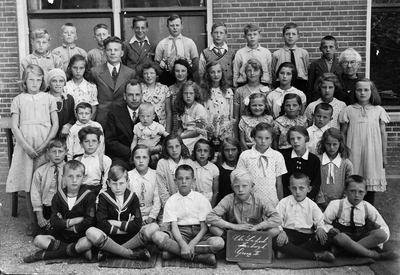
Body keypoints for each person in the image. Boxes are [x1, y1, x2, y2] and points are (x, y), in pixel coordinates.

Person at [6, 65, 59, 235]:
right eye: (31, 80)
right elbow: (15, 127)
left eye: (38, 80)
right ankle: (33, 221)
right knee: (29, 184)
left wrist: (45, 145)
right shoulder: (18, 99)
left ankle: (51, 220)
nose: (35, 83)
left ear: (42, 81)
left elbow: (55, 124)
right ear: (25, 81)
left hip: (44, 145)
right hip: (26, 147)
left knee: (47, 180)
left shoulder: (48, 98)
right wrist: (27, 147)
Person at [23, 160, 95, 263]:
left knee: (87, 243)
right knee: (38, 240)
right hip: (61, 235)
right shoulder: (58, 196)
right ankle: (76, 251)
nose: (74, 180)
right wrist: (72, 222)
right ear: (63, 177)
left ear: (84, 177)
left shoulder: (89, 196)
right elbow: (54, 221)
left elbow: (89, 221)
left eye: (78, 176)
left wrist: (72, 228)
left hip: (79, 235)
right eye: (70, 176)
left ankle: (44, 255)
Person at [152, 165, 225, 265]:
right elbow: (174, 227)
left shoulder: (201, 199)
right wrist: (183, 244)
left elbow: (204, 228)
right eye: (180, 179)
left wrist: (192, 244)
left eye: (187, 178)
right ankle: (198, 256)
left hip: (199, 233)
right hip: (180, 233)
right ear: (175, 181)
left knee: (218, 243)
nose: (184, 182)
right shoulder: (172, 201)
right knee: (157, 236)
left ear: (193, 181)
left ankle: (174, 253)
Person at [85, 165, 158, 261]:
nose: (118, 187)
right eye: (114, 183)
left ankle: (111, 252)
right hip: (110, 237)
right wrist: (123, 229)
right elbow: (101, 224)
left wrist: (115, 223)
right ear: (108, 183)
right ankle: (130, 253)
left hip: (130, 237)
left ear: (128, 182)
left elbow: (137, 224)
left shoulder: (133, 197)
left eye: (121, 183)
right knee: (90, 231)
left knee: (154, 227)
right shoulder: (103, 197)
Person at [339, 78, 389, 205]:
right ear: (354, 92)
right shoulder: (348, 110)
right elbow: (343, 133)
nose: (362, 93)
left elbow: (383, 134)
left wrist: (384, 156)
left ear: (372, 92)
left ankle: (368, 212)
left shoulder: (378, 110)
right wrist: (344, 151)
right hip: (353, 149)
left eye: (366, 90)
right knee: (353, 181)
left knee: (369, 182)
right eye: (359, 90)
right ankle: (351, 212)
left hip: (373, 151)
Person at [324, 175, 398, 260]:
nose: (356, 195)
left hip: (361, 237)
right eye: (352, 191)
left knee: (381, 235)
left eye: (361, 192)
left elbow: (384, 227)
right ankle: (374, 255)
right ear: (345, 191)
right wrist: (330, 229)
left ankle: (345, 252)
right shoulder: (336, 205)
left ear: (366, 192)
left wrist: (379, 242)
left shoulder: (367, 207)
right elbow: (323, 222)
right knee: (341, 237)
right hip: (344, 238)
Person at [274, 173, 335, 262]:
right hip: (288, 235)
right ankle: (314, 255)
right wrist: (281, 231)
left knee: (327, 238)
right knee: (274, 239)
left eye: (301, 188)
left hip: (306, 236)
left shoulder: (312, 205)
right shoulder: (284, 202)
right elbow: (276, 220)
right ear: (289, 188)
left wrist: (320, 228)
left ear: (309, 189)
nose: (298, 192)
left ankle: (287, 252)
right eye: (294, 188)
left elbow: (320, 220)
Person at [207, 168, 282, 237]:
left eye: (244, 186)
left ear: (252, 186)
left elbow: (277, 218)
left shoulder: (259, 199)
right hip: (233, 233)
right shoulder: (228, 199)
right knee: (213, 228)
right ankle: (229, 242)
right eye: (236, 186)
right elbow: (210, 217)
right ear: (232, 187)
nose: (240, 190)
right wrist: (234, 226)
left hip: (255, 233)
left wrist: (257, 227)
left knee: (275, 230)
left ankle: (256, 242)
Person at [90, 36, 136, 130]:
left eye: (116, 50)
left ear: (122, 53)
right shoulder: (95, 72)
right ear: (104, 52)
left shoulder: (130, 73)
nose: (113, 53)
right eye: (109, 50)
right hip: (102, 119)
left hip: (123, 119)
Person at [237, 123, 287, 206]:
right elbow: (240, 179)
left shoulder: (277, 156)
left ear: (271, 139)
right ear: (253, 138)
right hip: (250, 201)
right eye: (259, 137)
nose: (263, 141)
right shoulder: (245, 155)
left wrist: (280, 203)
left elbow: (279, 182)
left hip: (271, 201)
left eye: (267, 138)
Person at [105, 79, 143, 170]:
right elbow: (110, 141)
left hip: (144, 156)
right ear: (124, 96)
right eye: (130, 95)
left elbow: (159, 138)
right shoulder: (114, 112)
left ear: (142, 95)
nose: (134, 98)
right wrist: (131, 152)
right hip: (122, 157)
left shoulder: (148, 111)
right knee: (116, 171)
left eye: (137, 94)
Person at [155, 14, 199, 86]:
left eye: (177, 25)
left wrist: (187, 72)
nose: (175, 28)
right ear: (167, 27)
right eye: (172, 26)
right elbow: (156, 64)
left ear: (181, 26)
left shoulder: (189, 42)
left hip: (186, 77)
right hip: (167, 78)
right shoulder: (162, 44)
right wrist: (164, 73)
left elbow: (196, 62)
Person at [233, 58, 271, 138]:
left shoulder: (267, 91)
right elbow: (236, 117)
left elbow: (270, 115)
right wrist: (236, 137)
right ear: (245, 72)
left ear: (260, 72)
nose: (252, 73)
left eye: (255, 70)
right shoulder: (240, 91)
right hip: (245, 133)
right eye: (249, 70)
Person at [316, 128, 353, 209]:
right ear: (323, 143)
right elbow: (315, 182)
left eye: (335, 144)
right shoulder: (317, 161)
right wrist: (321, 201)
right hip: (320, 204)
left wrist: (342, 202)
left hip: (341, 205)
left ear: (340, 143)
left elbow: (350, 184)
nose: (331, 147)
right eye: (328, 144)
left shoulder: (346, 164)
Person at [281, 126, 321, 201]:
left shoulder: (314, 160)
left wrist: (306, 198)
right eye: (292, 139)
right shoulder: (284, 157)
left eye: (299, 138)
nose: (295, 141)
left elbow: (316, 183)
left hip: (306, 200)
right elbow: (283, 181)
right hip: (287, 200)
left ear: (306, 138)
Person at [156, 134, 195, 207]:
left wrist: (184, 207)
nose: (174, 150)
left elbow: (192, 186)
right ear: (166, 148)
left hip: (187, 206)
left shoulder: (189, 163)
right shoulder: (162, 164)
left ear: (181, 146)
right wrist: (171, 208)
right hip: (168, 207)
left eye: (177, 146)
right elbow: (162, 190)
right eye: (170, 147)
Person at [202, 61, 235, 146]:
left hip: (225, 130)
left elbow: (231, 114)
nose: (216, 75)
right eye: (212, 72)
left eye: (219, 71)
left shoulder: (228, 92)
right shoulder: (203, 92)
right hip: (209, 130)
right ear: (208, 74)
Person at [271, 22, 309, 94]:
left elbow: (306, 69)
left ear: (298, 36)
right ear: (283, 36)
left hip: (300, 83)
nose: (290, 36)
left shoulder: (304, 53)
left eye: (293, 34)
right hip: (282, 83)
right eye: (287, 34)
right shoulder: (277, 54)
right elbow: (273, 72)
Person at [128, 145, 161, 224]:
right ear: (133, 159)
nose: (141, 161)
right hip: (132, 217)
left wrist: (151, 217)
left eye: (145, 157)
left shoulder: (155, 175)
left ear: (149, 159)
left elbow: (157, 199)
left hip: (151, 217)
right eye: (137, 157)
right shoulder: (128, 176)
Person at [233, 23, 272, 87]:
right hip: (244, 84)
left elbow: (270, 70)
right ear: (245, 37)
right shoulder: (240, 53)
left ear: (260, 36)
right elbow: (236, 72)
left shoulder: (266, 52)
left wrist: (270, 84)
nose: (252, 37)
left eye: (255, 34)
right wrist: (235, 85)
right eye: (249, 35)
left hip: (263, 83)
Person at [76, 126, 111, 196]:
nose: (91, 144)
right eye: (86, 141)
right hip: (81, 193)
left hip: (98, 192)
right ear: (81, 144)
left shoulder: (105, 160)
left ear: (99, 143)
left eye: (94, 141)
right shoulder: (77, 161)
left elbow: (105, 181)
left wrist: (101, 196)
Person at [198, 22, 236, 87]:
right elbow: (201, 73)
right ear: (211, 34)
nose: (218, 35)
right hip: (210, 88)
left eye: (221, 33)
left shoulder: (232, 53)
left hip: (228, 88)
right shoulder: (205, 53)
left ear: (226, 35)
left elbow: (235, 72)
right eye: (216, 32)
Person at [175, 81, 208, 153]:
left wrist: (181, 138)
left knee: (181, 147)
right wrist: (176, 137)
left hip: (196, 137)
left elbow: (197, 131)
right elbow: (180, 127)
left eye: (191, 93)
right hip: (184, 135)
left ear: (195, 94)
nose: (188, 96)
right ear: (182, 95)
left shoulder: (199, 108)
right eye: (185, 93)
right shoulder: (181, 108)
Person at [140, 62, 172, 133]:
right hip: (144, 127)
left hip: (161, 126)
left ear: (157, 75)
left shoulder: (164, 89)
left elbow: (168, 112)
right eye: (145, 73)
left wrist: (168, 131)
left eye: (152, 73)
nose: (149, 76)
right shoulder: (139, 88)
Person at [308, 36, 342, 101]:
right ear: (320, 49)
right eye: (325, 47)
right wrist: (310, 101)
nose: (328, 49)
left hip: (337, 98)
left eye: (331, 47)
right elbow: (310, 86)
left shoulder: (340, 64)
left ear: (336, 48)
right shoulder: (315, 64)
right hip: (319, 98)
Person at [65, 54, 99, 119]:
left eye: (81, 68)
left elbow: (94, 106)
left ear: (85, 69)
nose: (78, 71)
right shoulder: (65, 87)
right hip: (70, 122)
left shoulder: (91, 87)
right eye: (75, 68)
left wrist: (88, 121)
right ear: (70, 68)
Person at [47, 68, 76, 138]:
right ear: (49, 83)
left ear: (64, 83)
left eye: (61, 81)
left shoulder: (69, 98)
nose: (58, 84)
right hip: (47, 134)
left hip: (64, 135)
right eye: (54, 81)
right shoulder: (44, 98)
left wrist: (67, 126)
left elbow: (72, 117)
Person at [191, 139, 219, 207]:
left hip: (208, 202)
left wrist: (211, 207)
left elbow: (216, 192)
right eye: (199, 150)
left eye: (205, 151)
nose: (202, 153)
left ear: (209, 154)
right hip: (193, 202)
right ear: (194, 152)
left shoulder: (213, 169)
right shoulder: (190, 166)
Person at [169, 58, 194, 134]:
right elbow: (168, 112)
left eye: (183, 71)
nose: (180, 73)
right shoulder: (169, 89)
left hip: (191, 128)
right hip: (175, 127)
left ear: (187, 73)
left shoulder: (193, 88)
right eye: (177, 71)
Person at [216, 137, 242, 203]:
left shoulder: (242, 167)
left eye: (233, 149)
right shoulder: (218, 168)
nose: (230, 153)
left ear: (238, 150)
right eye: (227, 150)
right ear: (222, 151)